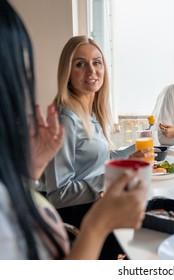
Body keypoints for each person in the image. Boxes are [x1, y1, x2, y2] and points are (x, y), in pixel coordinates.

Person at [0, 0, 147, 259]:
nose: (91, 70)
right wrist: (110, 180)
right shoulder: (66, 118)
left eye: (97, 62)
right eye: (80, 64)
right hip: (75, 215)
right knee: (144, 235)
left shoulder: (90, 113)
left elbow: (99, 161)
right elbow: (58, 194)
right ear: (68, 72)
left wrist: (133, 152)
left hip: (92, 205)